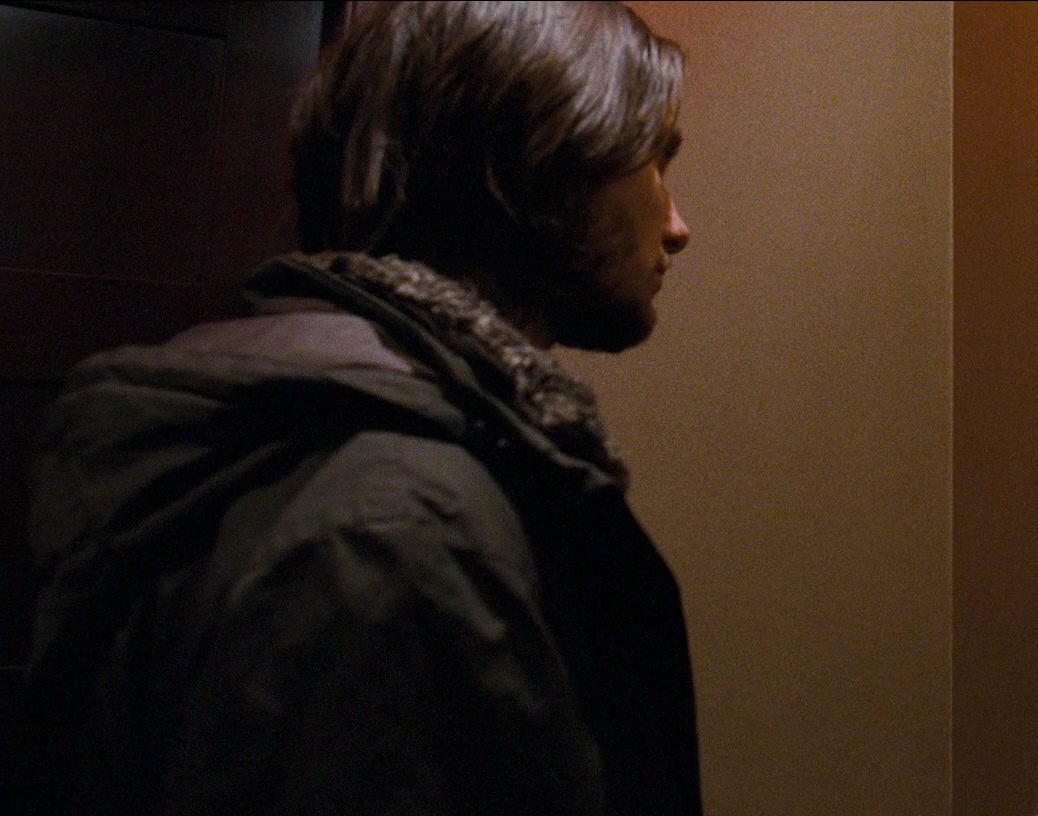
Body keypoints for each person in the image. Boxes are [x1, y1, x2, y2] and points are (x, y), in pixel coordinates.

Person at [22, 2, 699, 813]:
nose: (677, 226)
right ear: (543, 165)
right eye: (656, 161)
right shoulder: (394, 523)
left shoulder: (333, 428)